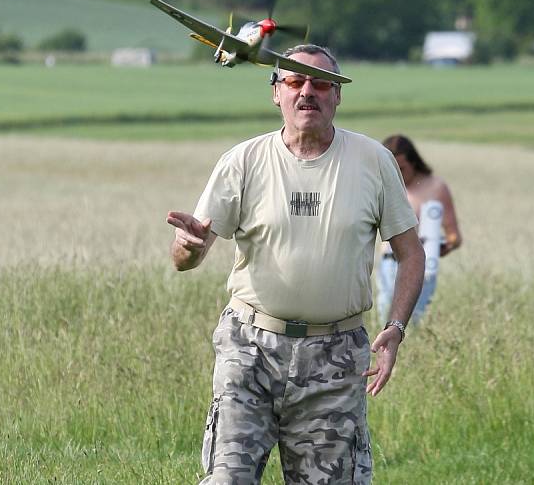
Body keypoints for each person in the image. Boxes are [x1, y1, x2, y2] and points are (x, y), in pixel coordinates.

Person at [166, 45, 425, 485]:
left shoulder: (373, 161)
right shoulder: (243, 161)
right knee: (227, 479)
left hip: (337, 357)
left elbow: (410, 253)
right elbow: (187, 258)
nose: (308, 92)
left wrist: (396, 328)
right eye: (294, 81)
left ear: (338, 95)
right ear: (276, 93)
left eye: (320, 82)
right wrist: (187, 246)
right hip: (250, 351)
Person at [376, 135, 462, 325]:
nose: (397, 174)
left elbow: (453, 234)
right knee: (384, 320)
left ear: (414, 163)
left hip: (422, 264)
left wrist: (446, 245)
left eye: (402, 169)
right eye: (392, 169)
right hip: (388, 263)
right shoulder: (380, 186)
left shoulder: (436, 187)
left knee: (413, 320)